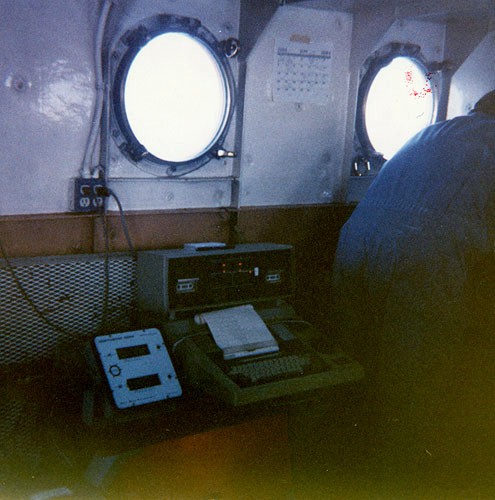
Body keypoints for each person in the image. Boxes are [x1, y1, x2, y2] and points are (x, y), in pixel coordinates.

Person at [331, 90, 495, 496]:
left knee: (351, 369)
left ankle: (341, 473)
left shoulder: (432, 131)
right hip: (424, 258)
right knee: (410, 385)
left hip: (355, 244)